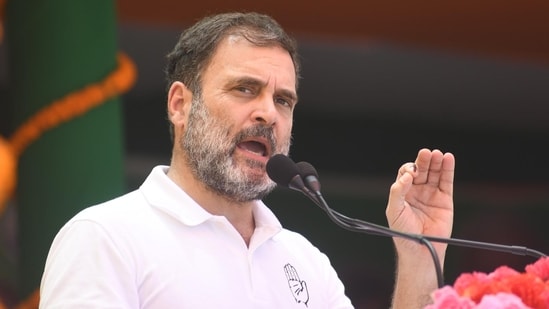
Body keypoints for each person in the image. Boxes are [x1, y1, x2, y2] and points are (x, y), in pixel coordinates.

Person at [39, 12, 455, 309]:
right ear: (181, 105)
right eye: (244, 89)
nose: (268, 113)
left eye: (283, 100)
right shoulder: (105, 238)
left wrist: (419, 252)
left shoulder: (304, 258)